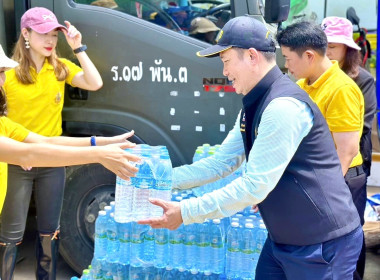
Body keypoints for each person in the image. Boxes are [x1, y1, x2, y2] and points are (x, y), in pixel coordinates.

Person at [139, 16, 362, 279]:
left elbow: (254, 185)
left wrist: (186, 212)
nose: (224, 72)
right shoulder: (256, 103)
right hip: (284, 238)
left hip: (322, 244)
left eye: (226, 61)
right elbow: (222, 162)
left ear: (252, 57)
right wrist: (159, 180)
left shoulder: (283, 107)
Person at [0, 44, 139, 280]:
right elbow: (28, 155)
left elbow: (45, 142)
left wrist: (101, 143)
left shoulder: (3, 123)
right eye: (0, 73)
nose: (4, 80)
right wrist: (98, 156)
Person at [0, 7, 103, 280]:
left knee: (50, 229)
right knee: (11, 232)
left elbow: (95, 82)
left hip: (51, 160)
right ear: (26, 33)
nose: (50, 41)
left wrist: (78, 47)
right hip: (16, 160)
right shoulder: (7, 75)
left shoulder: (59, 69)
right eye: (43, 34)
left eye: (54, 35)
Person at [277, 21, 366, 280]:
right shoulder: (305, 84)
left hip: (339, 180)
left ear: (309, 56)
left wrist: (321, 192)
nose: (287, 66)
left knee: (335, 258)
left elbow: (346, 151)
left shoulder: (341, 89)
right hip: (317, 179)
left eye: (288, 58)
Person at [321, 16, 377, 280]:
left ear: (348, 49)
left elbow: (361, 125)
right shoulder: (314, 78)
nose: (328, 52)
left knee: (351, 227)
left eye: (334, 46)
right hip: (322, 163)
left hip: (352, 163)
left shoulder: (361, 80)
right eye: (324, 46)